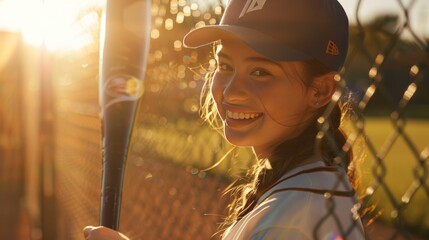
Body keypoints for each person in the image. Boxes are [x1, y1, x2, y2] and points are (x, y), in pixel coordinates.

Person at [84, 0, 365, 239]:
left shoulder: (292, 215)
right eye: (225, 66)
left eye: (260, 72)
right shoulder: (307, 188)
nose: (231, 91)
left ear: (320, 90)